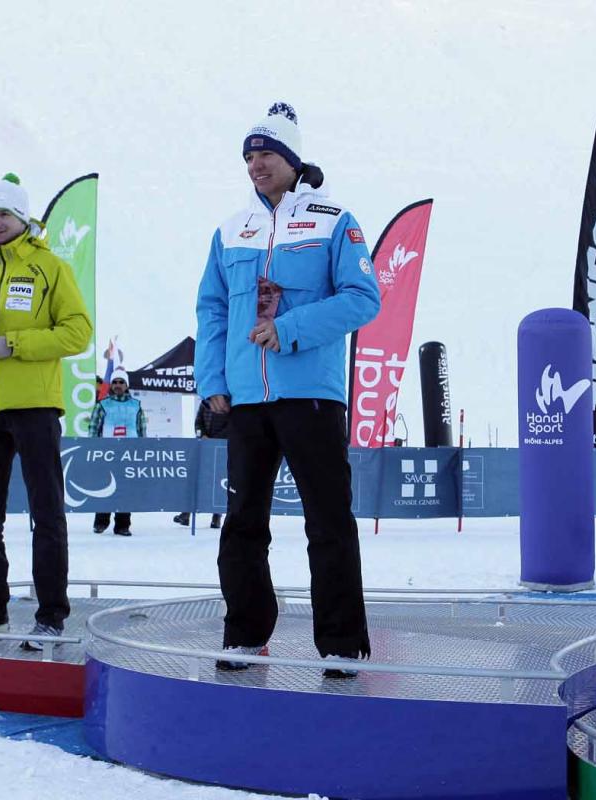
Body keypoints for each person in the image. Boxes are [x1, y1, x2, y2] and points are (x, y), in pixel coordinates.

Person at [195, 102, 381, 677]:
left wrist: (291, 330)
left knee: (328, 523)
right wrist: (214, 383)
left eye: (267, 154)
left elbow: (363, 298)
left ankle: (342, 645)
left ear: (293, 161)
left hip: (312, 398)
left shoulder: (334, 219)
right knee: (243, 524)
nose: (256, 165)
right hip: (248, 401)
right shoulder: (231, 229)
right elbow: (212, 309)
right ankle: (246, 636)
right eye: (249, 156)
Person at [0, 173, 93, 650]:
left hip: (36, 407)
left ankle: (51, 617)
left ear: (22, 218)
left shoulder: (50, 268)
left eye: (4, 213)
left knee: (46, 514)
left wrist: (16, 345)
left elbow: (78, 332)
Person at [89, 368, 145, 536]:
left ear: (126, 385)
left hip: (129, 454)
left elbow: (141, 429)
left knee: (125, 489)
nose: (118, 385)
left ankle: (123, 525)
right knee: (105, 486)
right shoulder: (102, 404)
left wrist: (143, 449)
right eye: (115, 382)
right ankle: (101, 522)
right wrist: (93, 449)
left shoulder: (136, 405)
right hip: (108, 453)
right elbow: (93, 429)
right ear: (111, 385)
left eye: (121, 382)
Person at [175, 396, 229, 530]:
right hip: (204, 447)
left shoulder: (230, 403)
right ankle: (186, 514)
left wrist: (214, 440)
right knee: (197, 480)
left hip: (222, 448)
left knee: (218, 483)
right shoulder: (205, 403)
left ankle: (216, 517)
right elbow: (198, 422)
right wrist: (202, 435)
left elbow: (232, 425)